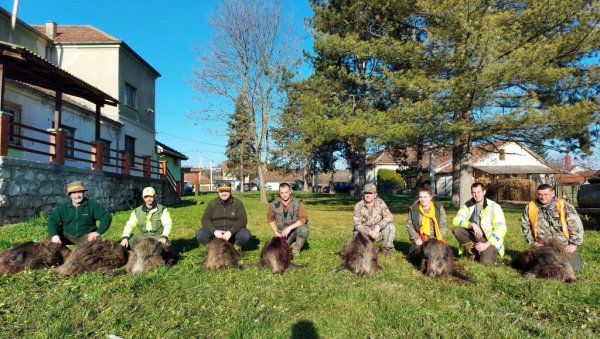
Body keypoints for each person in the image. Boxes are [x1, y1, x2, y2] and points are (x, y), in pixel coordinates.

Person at [520, 184, 584, 271]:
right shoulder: (530, 207)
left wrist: (573, 244)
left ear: (552, 193)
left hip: (564, 247)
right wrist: (533, 243)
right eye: (540, 194)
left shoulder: (564, 206)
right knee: (542, 270)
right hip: (543, 247)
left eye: (546, 194)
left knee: (575, 269)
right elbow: (525, 226)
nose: (543, 197)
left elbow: (577, 226)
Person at [452, 182, 506, 265]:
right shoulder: (467, 205)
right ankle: (472, 252)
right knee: (457, 230)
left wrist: (486, 244)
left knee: (486, 263)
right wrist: (472, 225)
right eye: (474, 192)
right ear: (471, 193)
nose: (476, 195)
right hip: (474, 235)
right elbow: (456, 220)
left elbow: (501, 229)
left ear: (484, 192)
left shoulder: (494, 207)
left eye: (478, 192)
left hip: (489, 240)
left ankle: (490, 254)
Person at [48, 181, 112, 245]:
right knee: (49, 241)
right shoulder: (63, 207)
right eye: (74, 193)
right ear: (70, 195)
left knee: (98, 248)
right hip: (67, 235)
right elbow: (53, 221)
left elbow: (106, 217)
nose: (77, 195)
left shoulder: (92, 205)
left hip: (87, 236)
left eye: (80, 192)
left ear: (83, 193)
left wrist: (98, 232)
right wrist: (54, 235)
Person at [196, 182, 251, 250]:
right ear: (218, 192)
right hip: (216, 232)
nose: (224, 193)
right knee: (201, 234)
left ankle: (236, 246)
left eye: (226, 191)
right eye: (221, 191)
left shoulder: (237, 203)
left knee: (245, 235)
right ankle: (212, 247)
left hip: (232, 233)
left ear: (230, 191)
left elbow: (243, 220)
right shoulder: (212, 203)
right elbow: (205, 220)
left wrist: (230, 232)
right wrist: (215, 231)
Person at [267, 183, 309, 257]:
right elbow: (270, 219)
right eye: (282, 193)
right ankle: (292, 244)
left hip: (295, 230)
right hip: (282, 234)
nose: (284, 195)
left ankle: (296, 250)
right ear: (279, 193)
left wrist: (290, 228)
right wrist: (276, 232)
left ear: (290, 191)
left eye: (286, 192)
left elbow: (303, 219)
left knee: (304, 229)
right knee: (277, 253)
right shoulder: (273, 204)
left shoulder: (298, 202)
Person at [353, 183, 395, 257]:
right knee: (361, 253)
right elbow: (357, 225)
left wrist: (378, 226)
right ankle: (368, 249)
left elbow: (389, 217)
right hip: (364, 233)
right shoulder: (359, 205)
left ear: (375, 195)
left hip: (377, 232)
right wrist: (369, 232)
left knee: (390, 227)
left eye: (370, 193)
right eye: (366, 193)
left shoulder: (380, 203)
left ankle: (386, 250)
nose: (368, 195)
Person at [406, 187, 446, 252]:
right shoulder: (413, 209)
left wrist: (438, 239)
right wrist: (417, 239)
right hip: (421, 238)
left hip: (436, 238)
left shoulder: (439, 208)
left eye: (425, 197)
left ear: (430, 197)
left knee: (440, 254)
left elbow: (443, 224)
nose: (423, 199)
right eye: (420, 197)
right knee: (418, 254)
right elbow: (409, 225)